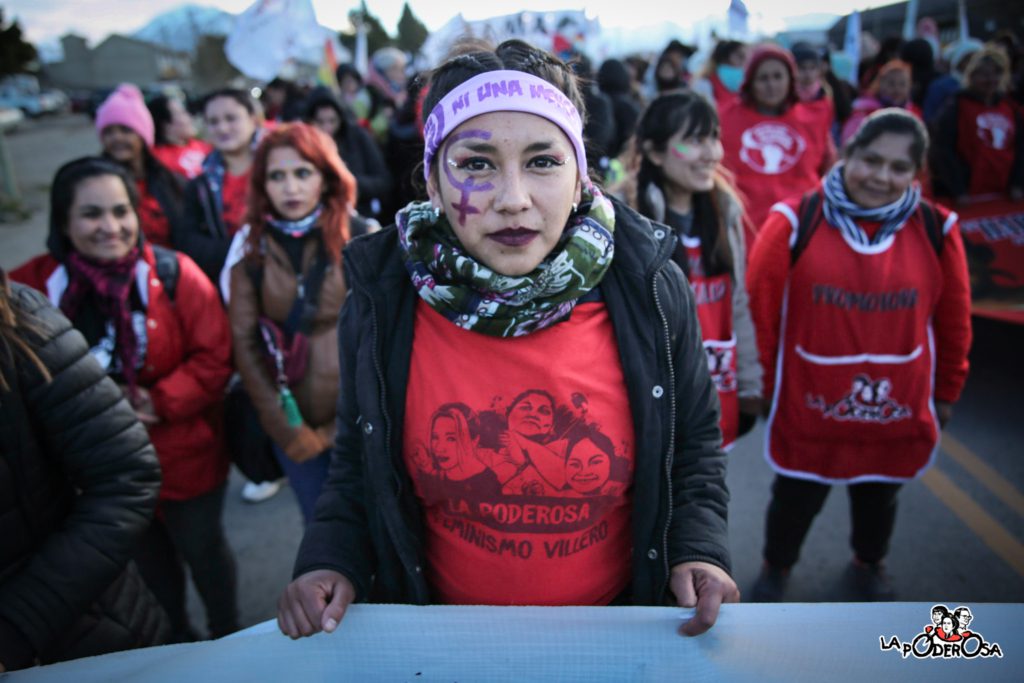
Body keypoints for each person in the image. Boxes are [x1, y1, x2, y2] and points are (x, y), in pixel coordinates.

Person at [277, 39, 737, 640]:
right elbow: (357, 474)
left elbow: (695, 447)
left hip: (619, 633)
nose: (513, 199)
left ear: (579, 178)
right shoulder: (381, 297)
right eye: (476, 164)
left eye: (543, 161)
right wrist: (329, 560)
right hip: (443, 643)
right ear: (434, 185)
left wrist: (698, 549)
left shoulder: (648, 288)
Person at [746, 110, 972, 602]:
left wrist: (948, 390)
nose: (881, 177)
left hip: (895, 404)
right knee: (796, 497)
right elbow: (760, 315)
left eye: (898, 168)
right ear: (846, 154)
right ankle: (776, 567)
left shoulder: (937, 229)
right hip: (809, 403)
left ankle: (869, 563)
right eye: (870, 160)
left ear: (916, 174)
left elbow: (954, 323)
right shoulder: (792, 222)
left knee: (879, 494)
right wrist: (760, 386)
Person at [11, 157, 239, 641]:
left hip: (185, 457)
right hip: (89, 476)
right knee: (148, 572)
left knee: (206, 554)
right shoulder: (27, 292)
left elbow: (216, 356)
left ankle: (230, 638)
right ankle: (178, 646)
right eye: (92, 214)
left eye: (121, 211)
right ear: (63, 221)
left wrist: (155, 400)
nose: (110, 227)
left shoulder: (176, 273)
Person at [0, 268, 170, 671]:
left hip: (87, 644)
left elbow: (128, 475)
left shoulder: (21, 320)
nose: (109, 227)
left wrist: (16, 627)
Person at [223, 122, 366, 524]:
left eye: (302, 173)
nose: (290, 187)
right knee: (323, 534)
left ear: (326, 176)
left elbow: (384, 340)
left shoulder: (362, 237)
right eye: (277, 176)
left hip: (362, 422)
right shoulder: (250, 251)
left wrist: (340, 430)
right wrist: (290, 431)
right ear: (262, 184)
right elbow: (246, 346)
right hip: (294, 429)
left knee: (381, 532)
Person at [631, 91, 763, 449]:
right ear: (655, 152)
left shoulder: (725, 211)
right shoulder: (627, 222)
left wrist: (750, 382)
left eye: (714, 138)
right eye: (694, 141)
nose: (711, 153)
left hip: (715, 395)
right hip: (654, 405)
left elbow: (737, 303)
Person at [719, 45, 835, 246]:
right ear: (750, 82)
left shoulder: (814, 117)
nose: (771, 85)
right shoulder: (725, 118)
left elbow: (830, 169)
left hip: (802, 225)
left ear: (791, 79)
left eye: (777, 76)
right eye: (763, 78)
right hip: (745, 229)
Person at [176, 88, 264, 284]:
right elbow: (188, 242)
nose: (222, 128)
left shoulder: (278, 171)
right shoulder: (199, 186)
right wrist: (239, 250)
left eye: (231, 118)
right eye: (213, 122)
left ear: (253, 119)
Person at [95, 84, 186, 248]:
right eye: (108, 132)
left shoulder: (171, 180)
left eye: (125, 130)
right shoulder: (93, 183)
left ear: (143, 135)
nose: (117, 138)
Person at [930, 46, 1024, 203]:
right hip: (969, 194)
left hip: (1005, 194)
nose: (990, 79)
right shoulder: (955, 106)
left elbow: (1021, 147)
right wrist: (958, 190)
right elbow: (942, 150)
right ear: (971, 75)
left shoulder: (1010, 107)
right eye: (984, 74)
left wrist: (1018, 183)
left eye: (996, 73)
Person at [305, 87, 392, 222]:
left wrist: (350, 181)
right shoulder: (304, 145)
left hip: (359, 215)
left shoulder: (357, 137)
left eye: (331, 121)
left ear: (340, 118)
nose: (326, 128)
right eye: (320, 122)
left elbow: (383, 181)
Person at [841, 60, 921, 145]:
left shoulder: (914, 114)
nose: (897, 89)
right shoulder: (864, 112)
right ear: (880, 83)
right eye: (891, 83)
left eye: (902, 84)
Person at [148, 94, 213, 179]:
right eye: (182, 113)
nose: (189, 117)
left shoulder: (204, 146)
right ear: (165, 124)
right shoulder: (156, 158)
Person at [692, 40, 749, 112]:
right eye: (740, 56)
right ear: (724, 57)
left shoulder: (746, 87)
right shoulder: (704, 83)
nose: (744, 62)